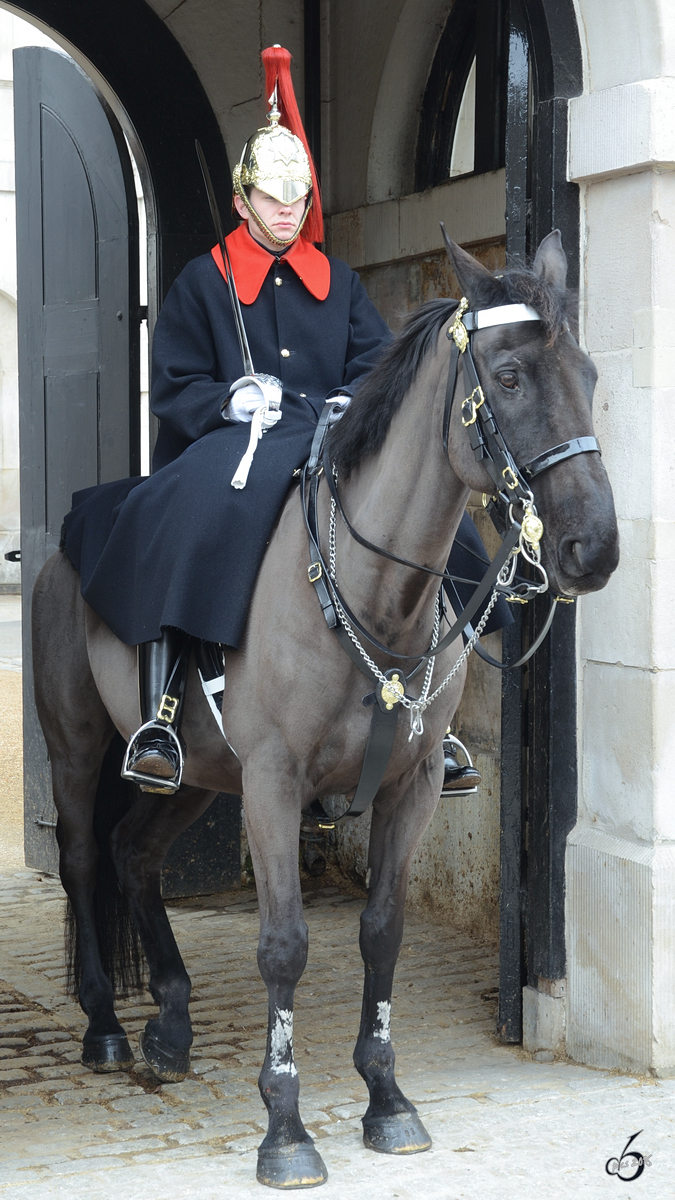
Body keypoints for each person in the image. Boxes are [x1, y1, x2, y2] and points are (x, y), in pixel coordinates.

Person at [63, 45, 508, 797]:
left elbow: (380, 366)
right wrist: (228, 400)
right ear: (242, 202)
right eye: (273, 201)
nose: (288, 213)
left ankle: (438, 717)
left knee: (436, 517)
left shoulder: (333, 282)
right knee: (201, 513)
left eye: (297, 201)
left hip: (331, 436)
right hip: (233, 443)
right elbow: (174, 382)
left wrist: (353, 403)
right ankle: (166, 708)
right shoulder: (205, 281)